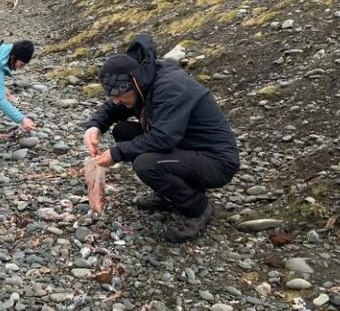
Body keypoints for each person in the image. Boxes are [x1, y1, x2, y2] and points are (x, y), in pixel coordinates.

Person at [83, 36, 239, 242]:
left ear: (134, 82)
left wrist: (115, 154)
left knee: (146, 164)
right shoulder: (141, 80)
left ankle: (198, 208)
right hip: (185, 147)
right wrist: (95, 126)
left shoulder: (171, 86)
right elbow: (114, 107)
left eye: (119, 94)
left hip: (215, 161)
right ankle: (170, 194)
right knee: (123, 131)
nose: (116, 99)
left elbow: (162, 139)